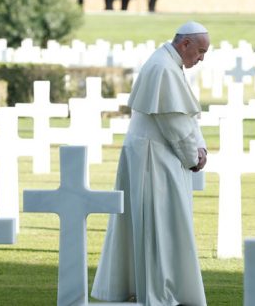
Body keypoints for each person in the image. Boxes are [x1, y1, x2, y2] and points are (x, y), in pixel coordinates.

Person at [92, 21, 210, 305]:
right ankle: (159, 292)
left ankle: (160, 289)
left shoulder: (169, 64)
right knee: (158, 226)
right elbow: (173, 121)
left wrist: (199, 147)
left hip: (158, 155)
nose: (202, 58)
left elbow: (185, 116)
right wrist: (194, 156)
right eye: (201, 51)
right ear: (185, 44)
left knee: (164, 224)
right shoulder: (163, 68)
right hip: (152, 159)